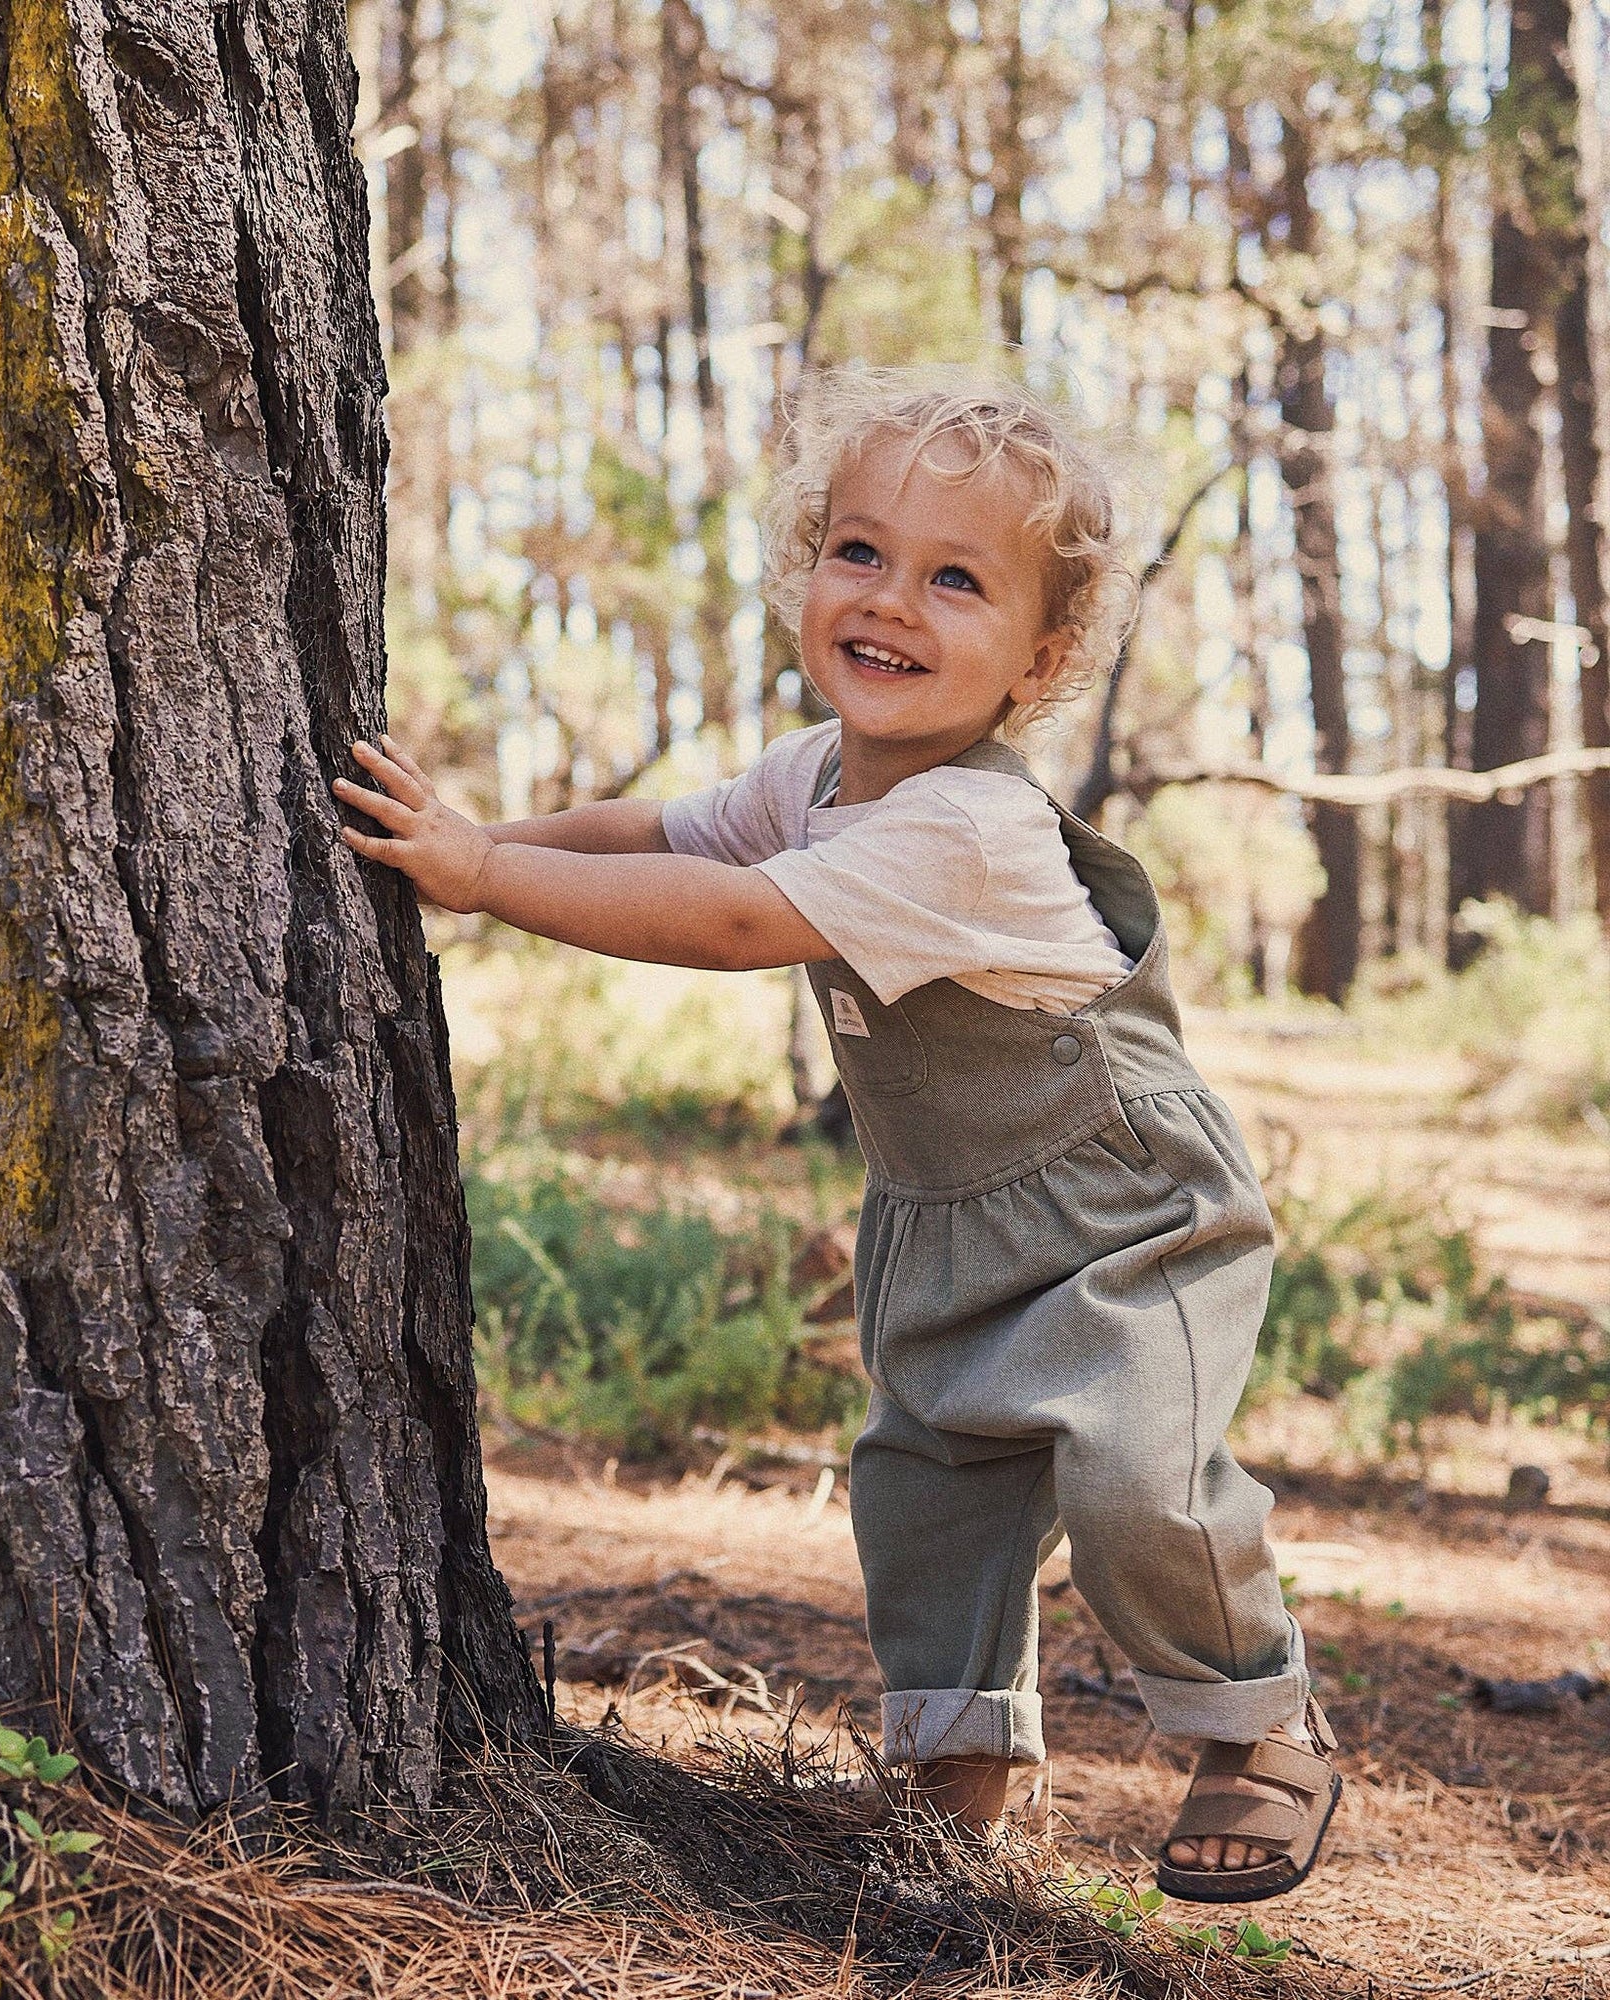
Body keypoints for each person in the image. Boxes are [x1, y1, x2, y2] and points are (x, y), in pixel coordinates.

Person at [333, 367, 1340, 1905]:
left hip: (1127, 1220)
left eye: (957, 580)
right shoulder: (813, 777)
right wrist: (468, 845)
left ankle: (1257, 1730)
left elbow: (736, 919)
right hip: (943, 1212)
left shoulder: (967, 828)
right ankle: (956, 1763)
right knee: (923, 1488)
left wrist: (477, 877)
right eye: (859, 552)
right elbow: (662, 836)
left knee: (1136, 1478)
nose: (889, 603)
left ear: (1042, 657)